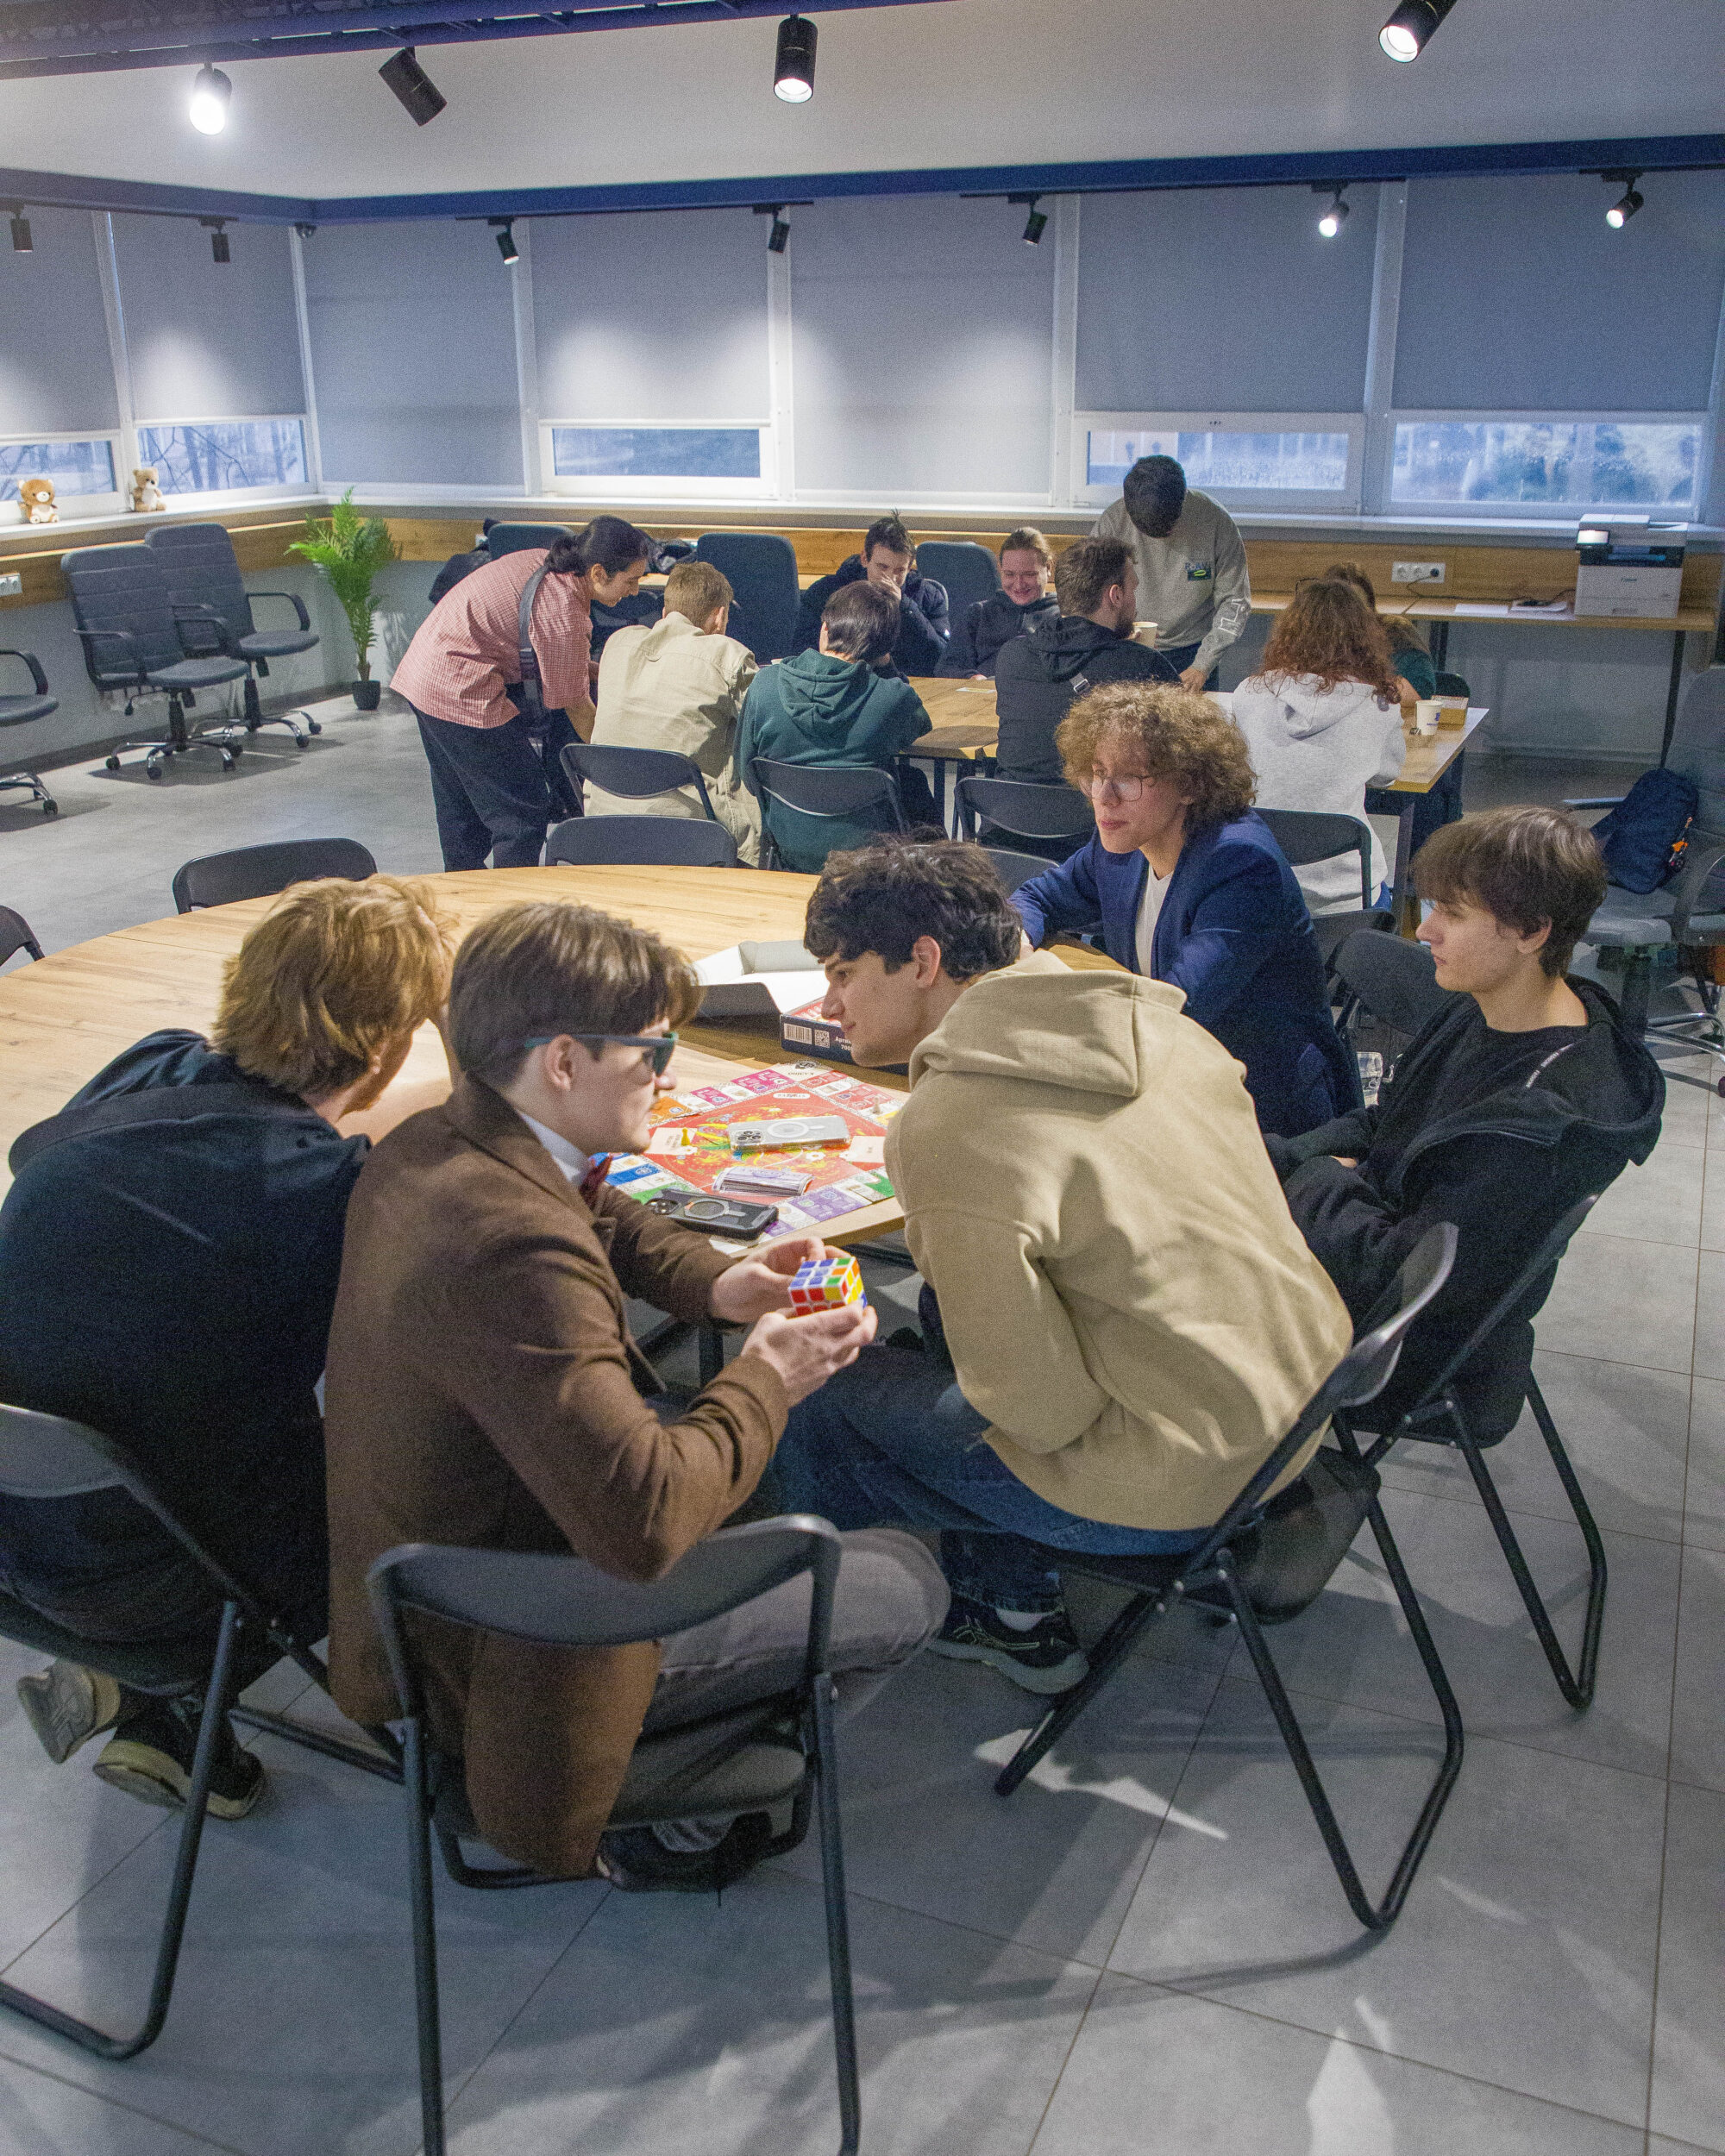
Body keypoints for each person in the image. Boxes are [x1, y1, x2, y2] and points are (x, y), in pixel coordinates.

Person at [323, 900, 947, 1888]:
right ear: (564, 1061)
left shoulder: (436, 1141)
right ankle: (656, 1824)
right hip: (521, 1644)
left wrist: (720, 1283)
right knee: (906, 1581)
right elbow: (644, 1523)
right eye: (651, 1053)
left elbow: (598, 1210)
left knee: (750, 1473)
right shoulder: (511, 1253)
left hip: (428, 1595)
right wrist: (768, 1373)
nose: (667, 1076)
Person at [771, 837, 1352, 1689]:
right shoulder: (1159, 1027)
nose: (829, 1004)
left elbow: (1036, 1415)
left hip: (1183, 1483)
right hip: (1291, 1416)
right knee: (949, 1316)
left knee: (815, 1388)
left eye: (843, 973)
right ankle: (1004, 1595)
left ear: (922, 962)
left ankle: (822, 1642)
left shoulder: (950, 1124)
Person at [0, 876, 454, 1818]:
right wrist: (464, 1048)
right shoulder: (326, 1196)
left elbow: (36, 1158)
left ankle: (149, 1707)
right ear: (387, 1043)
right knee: (443, 1467)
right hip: (162, 1578)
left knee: (170, 1384)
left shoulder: (149, 1062)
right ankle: (476, 1736)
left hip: (19, 1539)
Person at [1269, 806, 1662, 1438]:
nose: (1425, 931)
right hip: (1362, 1259)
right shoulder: (1488, 1005)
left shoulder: (1536, 1123)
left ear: (1531, 931)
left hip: (1397, 1351)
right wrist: (1277, 1158)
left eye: (1451, 914)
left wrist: (1316, 1177)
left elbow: (1399, 1278)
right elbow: (1388, 1124)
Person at [1012, 682, 1358, 1136]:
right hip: (1167, 1079)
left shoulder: (1240, 864)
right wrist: (1017, 942)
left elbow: (1177, 1006)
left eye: (1130, 779)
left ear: (1190, 785)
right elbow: (1036, 898)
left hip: (1258, 1112)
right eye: (1097, 773)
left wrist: (1041, 1002)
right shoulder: (1121, 842)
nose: (1105, 796)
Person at [392, 515, 654, 873]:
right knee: (522, 811)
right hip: (458, 686)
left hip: (423, 673)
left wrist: (609, 670)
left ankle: (461, 890)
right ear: (598, 573)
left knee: (460, 805)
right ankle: (515, 900)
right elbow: (575, 705)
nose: (635, 591)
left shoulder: (546, 562)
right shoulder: (564, 610)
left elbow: (560, 660)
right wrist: (617, 764)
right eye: (631, 580)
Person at [1229, 578, 1408, 913]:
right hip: (1348, 900)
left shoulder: (1249, 692)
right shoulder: (1378, 703)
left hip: (1259, 886)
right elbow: (1386, 775)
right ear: (1364, 639)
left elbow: (1235, 769)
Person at [734, 582, 938, 871]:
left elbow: (746, 773)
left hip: (790, 849)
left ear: (825, 629)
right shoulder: (892, 699)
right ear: (884, 649)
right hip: (869, 860)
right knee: (913, 783)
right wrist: (886, 665)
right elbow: (918, 725)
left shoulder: (764, 685)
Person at [586, 558, 762, 863]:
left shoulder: (618, 645)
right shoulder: (727, 656)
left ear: (665, 613)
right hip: (688, 829)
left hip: (602, 820)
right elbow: (767, 723)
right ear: (720, 617)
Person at [994, 535, 1179, 786]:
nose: (1135, 603)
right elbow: (1187, 750)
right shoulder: (1146, 666)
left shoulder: (1011, 656)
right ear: (1116, 595)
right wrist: (1133, 654)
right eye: (1133, 590)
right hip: (1096, 809)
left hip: (1008, 807)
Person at [1324, 560, 1466, 852]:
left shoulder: (1395, 634)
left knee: (1428, 795)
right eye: (1340, 607)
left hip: (1396, 753)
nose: (1350, 616)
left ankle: (1419, 873)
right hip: (1335, 756)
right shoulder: (1311, 644)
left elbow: (1415, 692)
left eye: (1357, 606)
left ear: (1370, 606)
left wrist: (1349, 678)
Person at [1091, 454, 1251, 688]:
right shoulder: (1112, 523)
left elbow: (1235, 600)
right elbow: (1091, 594)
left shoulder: (1215, 520)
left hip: (1194, 651)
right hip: (1128, 645)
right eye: (1144, 530)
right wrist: (1114, 633)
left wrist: (1203, 665)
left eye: (1167, 528)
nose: (1159, 537)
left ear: (1183, 501)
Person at [794, 514, 950, 678]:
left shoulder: (928, 596)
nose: (890, 578)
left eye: (900, 570)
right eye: (882, 567)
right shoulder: (828, 590)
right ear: (865, 559)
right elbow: (801, 647)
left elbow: (941, 658)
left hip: (908, 679)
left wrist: (906, 608)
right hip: (842, 678)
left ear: (910, 568)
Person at [936, 527, 1059, 678]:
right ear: (1000, 570)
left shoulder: (1064, 617)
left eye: (1029, 574)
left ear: (1048, 568)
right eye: (1009, 574)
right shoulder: (978, 614)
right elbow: (947, 668)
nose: (1019, 585)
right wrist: (971, 678)